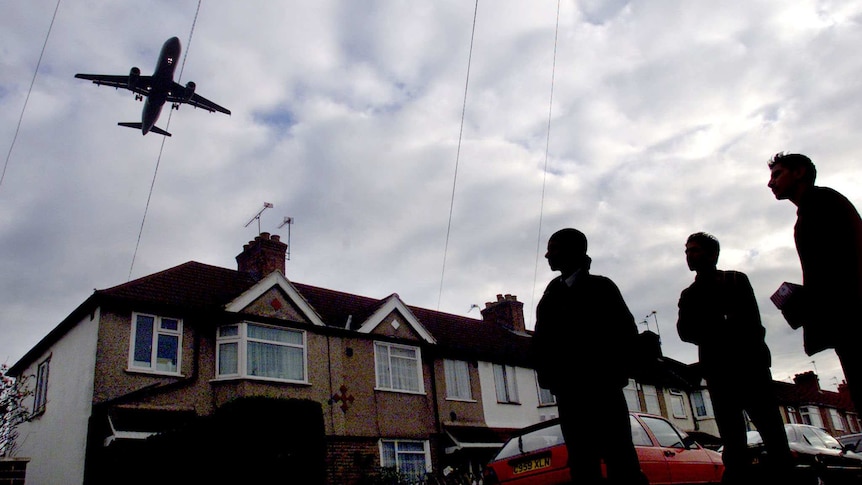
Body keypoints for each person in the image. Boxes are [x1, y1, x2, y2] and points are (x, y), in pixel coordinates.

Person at [531, 228, 648, 485]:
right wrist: (551, 380)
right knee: (582, 463)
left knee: (620, 459)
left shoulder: (601, 288)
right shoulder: (550, 296)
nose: (547, 254)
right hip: (569, 394)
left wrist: (613, 375)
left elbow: (626, 333)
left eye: (553, 248)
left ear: (573, 251)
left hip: (603, 390)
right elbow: (541, 343)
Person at [677, 232, 793, 484]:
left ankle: (784, 477)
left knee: (772, 433)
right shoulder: (689, 294)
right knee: (732, 439)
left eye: (694, 250)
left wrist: (712, 328)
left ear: (712, 254)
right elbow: (685, 332)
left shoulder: (735, 280)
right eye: (687, 251)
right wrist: (722, 322)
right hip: (719, 374)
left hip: (750, 368)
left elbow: (751, 322)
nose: (689, 255)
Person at [767, 152, 862, 412]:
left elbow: (836, 269)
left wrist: (804, 302)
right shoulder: (814, 209)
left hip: (852, 318)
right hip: (847, 319)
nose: (770, 183)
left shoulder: (821, 204)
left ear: (799, 172)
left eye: (777, 174)